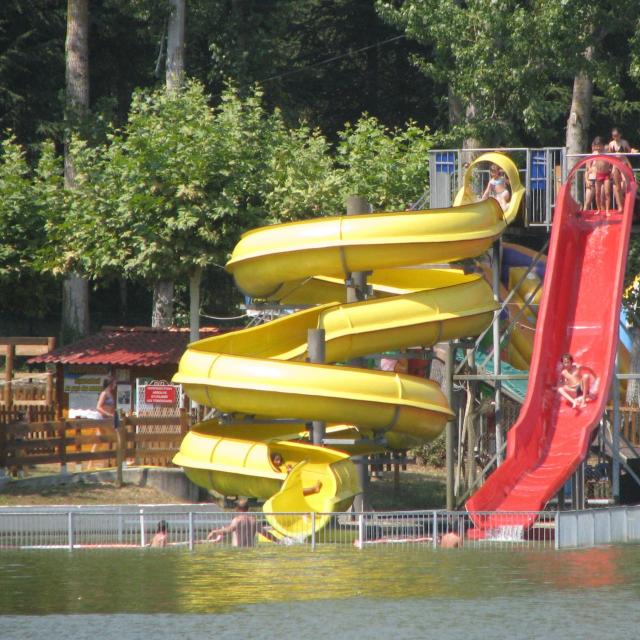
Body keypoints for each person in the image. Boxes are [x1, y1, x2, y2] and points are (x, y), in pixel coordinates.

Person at [206, 499, 278, 547]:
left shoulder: (237, 520)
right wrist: (278, 541)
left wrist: (214, 532)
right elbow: (266, 534)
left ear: (237, 509)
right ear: (248, 509)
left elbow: (227, 530)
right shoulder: (254, 521)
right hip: (250, 551)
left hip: (238, 551)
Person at [584, 137, 612, 214]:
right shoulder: (593, 155)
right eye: (596, 146)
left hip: (604, 176)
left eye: (599, 146)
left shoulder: (607, 154)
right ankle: (594, 211)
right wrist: (586, 180)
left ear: (602, 146)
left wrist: (611, 170)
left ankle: (605, 212)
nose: (598, 148)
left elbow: (612, 162)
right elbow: (587, 170)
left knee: (605, 194)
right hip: (594, 177)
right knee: (592, 197)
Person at [608, 127, 632, 210]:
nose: (615, 137)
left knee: (625, 184)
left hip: (623, 163)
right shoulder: (611, 144)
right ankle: (620, 205)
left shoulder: (624, 142)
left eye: (616, 135)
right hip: (615, 164)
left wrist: (633, 151)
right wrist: (611, 167)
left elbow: (629, 152)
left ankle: (625, 202)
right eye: (613, 136)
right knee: (616, 187)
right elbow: (610, 155)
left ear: (620, 135)